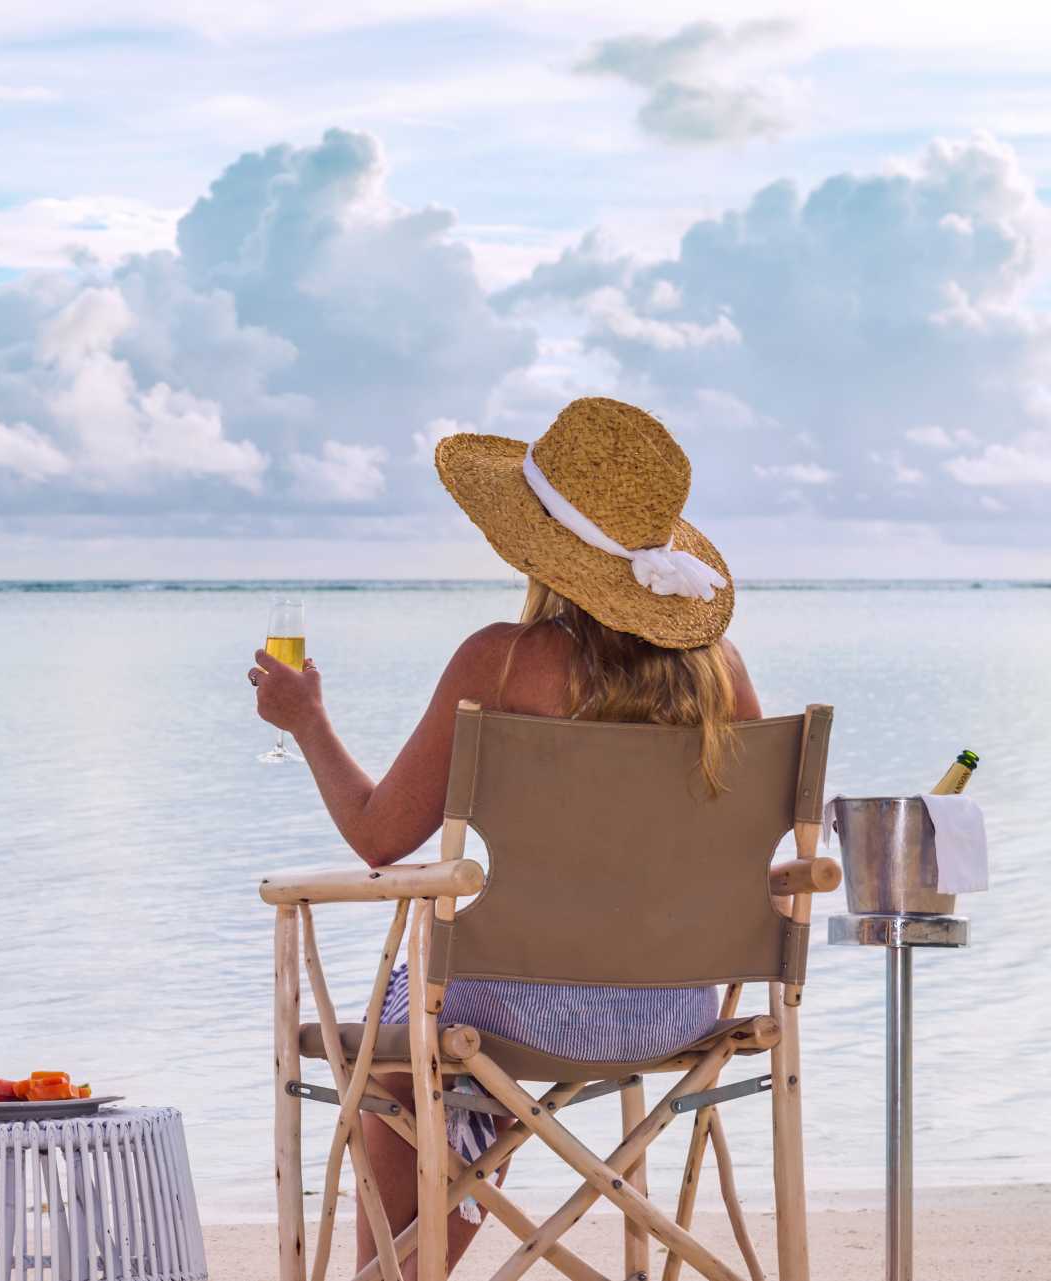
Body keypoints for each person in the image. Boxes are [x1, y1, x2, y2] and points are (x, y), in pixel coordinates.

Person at [247, 397, 763, 1275]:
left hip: (516, 1012)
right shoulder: (724, 674)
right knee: (432, 1033)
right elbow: (752, 846)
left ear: (534, 548)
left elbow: (380, 840)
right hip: (680, 1009)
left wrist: (306, 723)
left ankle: (398, 1270)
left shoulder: (503, 659)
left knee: (405, 1037)